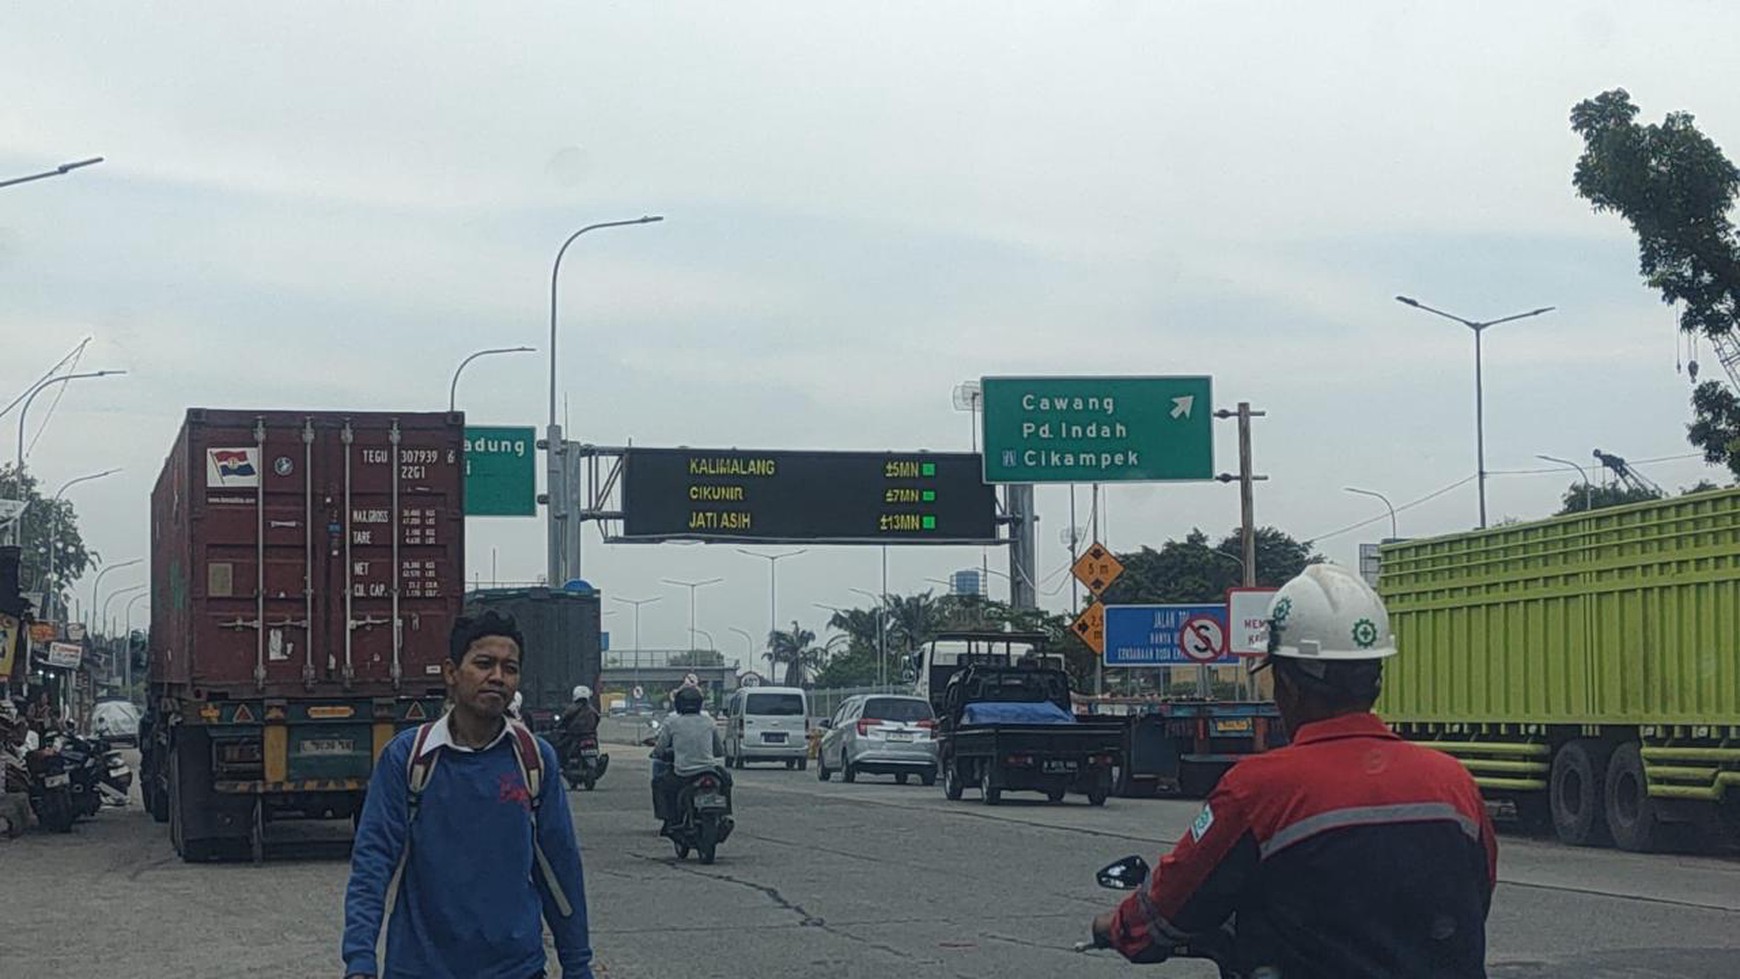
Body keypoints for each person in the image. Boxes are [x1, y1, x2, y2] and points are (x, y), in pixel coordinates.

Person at [1091, 563, 1497, 978]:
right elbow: (1474, 898)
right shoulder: (1453, 782)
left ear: (1290, 684)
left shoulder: (1259, 789)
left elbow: (1170, 908)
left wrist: (1118, 927)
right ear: (1375, 678)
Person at [342, 610, 594, 979]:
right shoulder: (409, 759)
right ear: (450, 672)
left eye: (510, 668)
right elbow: (373, 862)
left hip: (516, 970)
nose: (497, 677)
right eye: (483, 663)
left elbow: (561, 869)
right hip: (419, 968)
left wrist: (577, 965)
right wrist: (359, 959)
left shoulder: (535, 760)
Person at [651, 685, 726, 834]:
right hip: (709, 770)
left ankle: (670, 819)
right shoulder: (709, 721)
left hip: (683, 774)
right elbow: (719, 750)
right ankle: (724, 813)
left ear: (678, 704)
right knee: (726, 780)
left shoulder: (672, 722)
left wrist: (657, 754)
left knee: (658, 783)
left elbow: (660, 748)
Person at [556, 686, 600, 760]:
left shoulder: (572, 708)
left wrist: (557, 727)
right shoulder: (592, 710)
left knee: (559, 747)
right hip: (591, 736)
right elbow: (597, 720)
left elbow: (563, 720)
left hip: (575, 736)